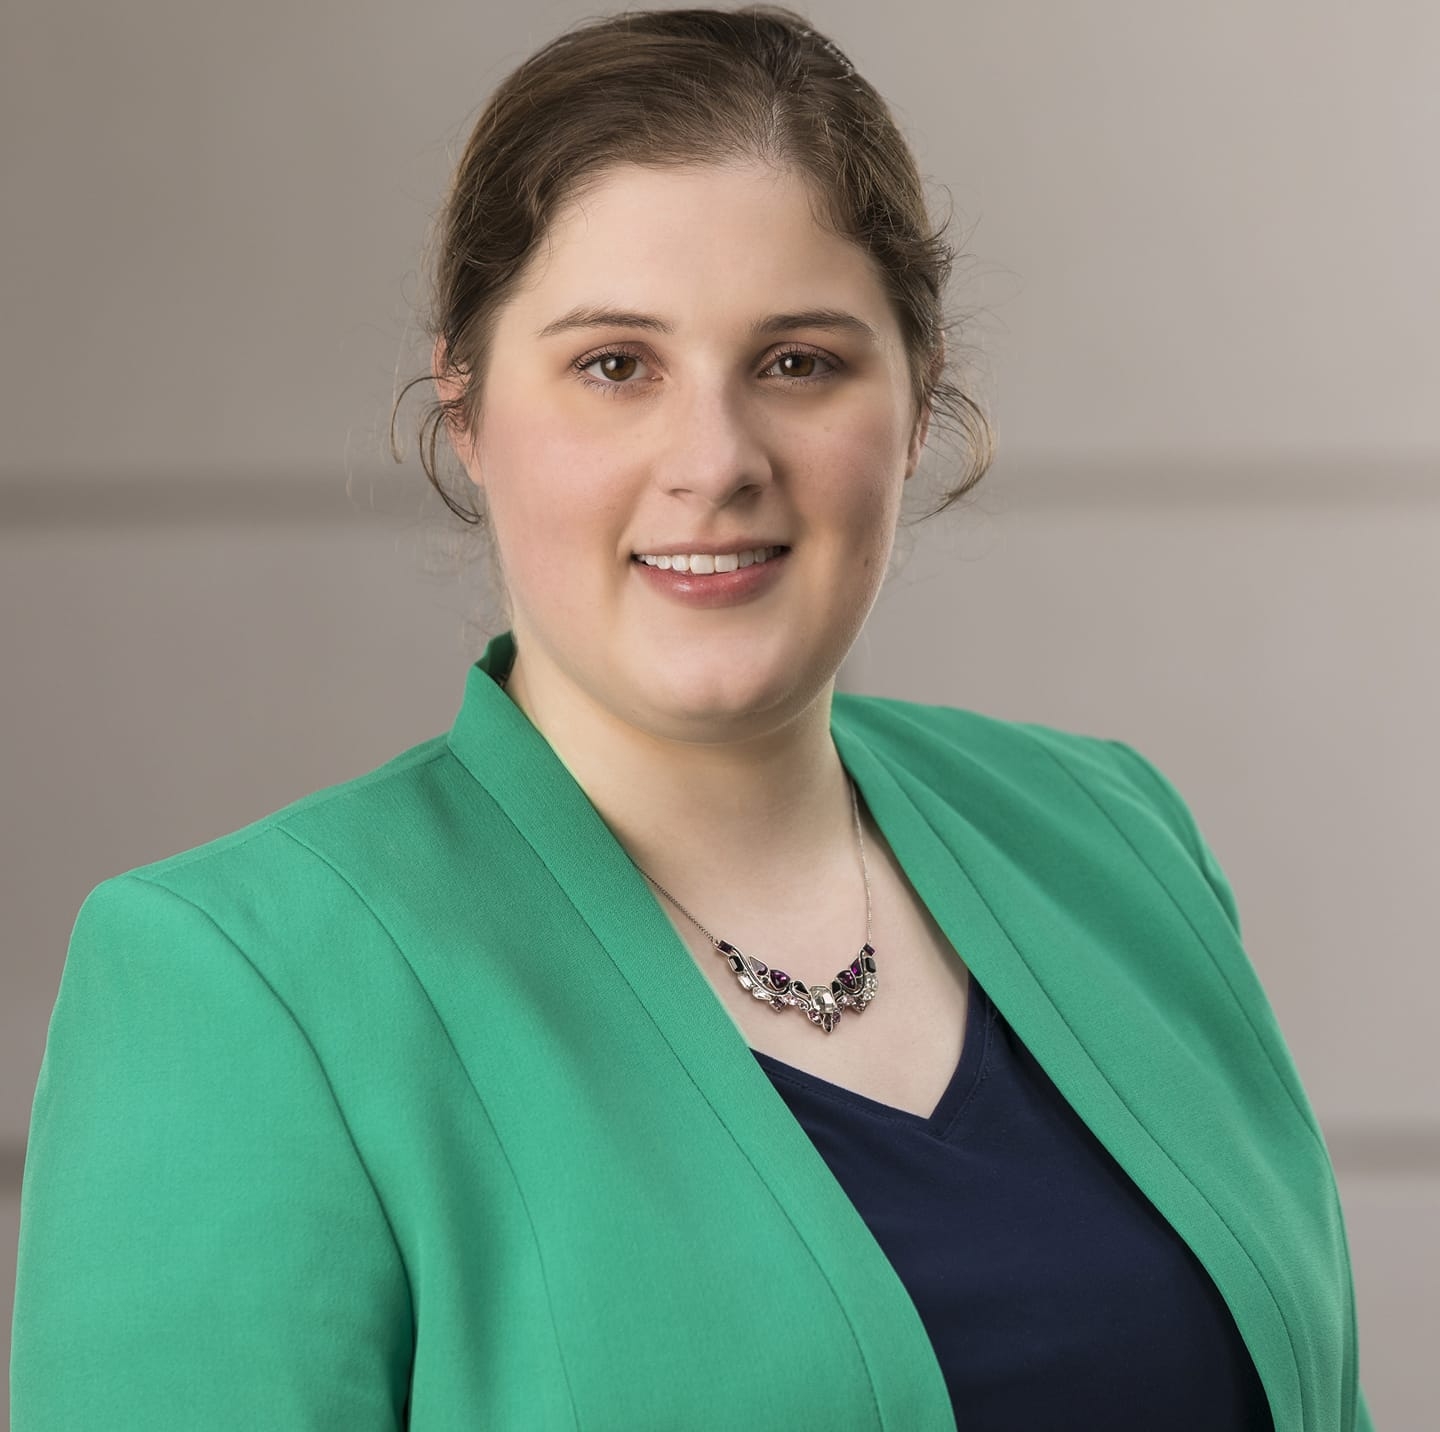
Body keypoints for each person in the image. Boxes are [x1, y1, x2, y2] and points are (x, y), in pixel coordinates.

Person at [11, 7, 1372, 1430]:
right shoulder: (238, 982)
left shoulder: (1116, 840)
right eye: (616, 366)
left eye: (798, 362)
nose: (714, 461)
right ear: (466, 410)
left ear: (915, 407)